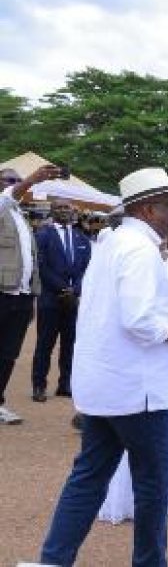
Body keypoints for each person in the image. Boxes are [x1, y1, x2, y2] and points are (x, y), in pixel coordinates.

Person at [35, 168, 168, 567]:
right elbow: (138, 320)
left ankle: (52, 561)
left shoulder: (112, 242)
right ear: (148, 209)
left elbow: (121, 311)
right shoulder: (138, 248)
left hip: (107, 386)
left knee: (89, 476)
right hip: (138, 390)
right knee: (154, 482)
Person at [97, 229, 168, 524]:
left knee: (167, 430)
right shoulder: (131, 254)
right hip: (132, 361)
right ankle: (124, 501)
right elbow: (128, 314)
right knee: (128, 430)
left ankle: (163, 501)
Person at [0, 164, 67, 425]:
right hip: (2, 291)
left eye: (15, 179)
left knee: (8, 353)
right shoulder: (2, 205)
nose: (13, 183)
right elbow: (8, 196)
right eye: (8, 179)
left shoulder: (19, 214)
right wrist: (31, 180)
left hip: (24, 293)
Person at [31, 198, 92, 402]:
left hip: (73, 302)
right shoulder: (42, 235)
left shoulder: (82, 238)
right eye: (60, 207)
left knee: (70, 345)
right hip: (50, 299)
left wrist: (75, 290)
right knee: (44, 345)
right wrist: (62, 288)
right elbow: (40, 266)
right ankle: (39, 385)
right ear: (52, 210)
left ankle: (65, 384)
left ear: (73, 211)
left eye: (67, 207)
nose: (64, 210)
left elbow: (87, 270)